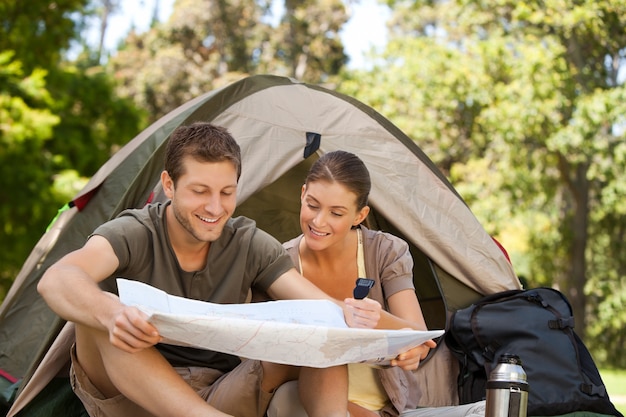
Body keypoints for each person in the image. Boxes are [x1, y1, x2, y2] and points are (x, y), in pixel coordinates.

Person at [37, 123, 388, 417]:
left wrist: (398, 339)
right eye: (200, 191)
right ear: (169, 185)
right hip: (134, 397)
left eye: (227, 192)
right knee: (94, 315)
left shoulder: (247, 241)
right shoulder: (136, 231)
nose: (215, 207)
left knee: (320, 329)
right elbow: (57, 279)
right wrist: (112, 314)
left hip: (220, 391)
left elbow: (322, 308)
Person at [263, 151, 485, 417]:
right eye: (312, 205)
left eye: (336, 213)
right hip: (312, 405)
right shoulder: (280, 263)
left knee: (487, 411)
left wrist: (380, 320)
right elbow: (273, 363)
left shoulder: (384, 251)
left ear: (359, 215)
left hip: (386, 409)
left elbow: (418, 336)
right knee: (293, 392)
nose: (319, 221)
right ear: (302, 194)